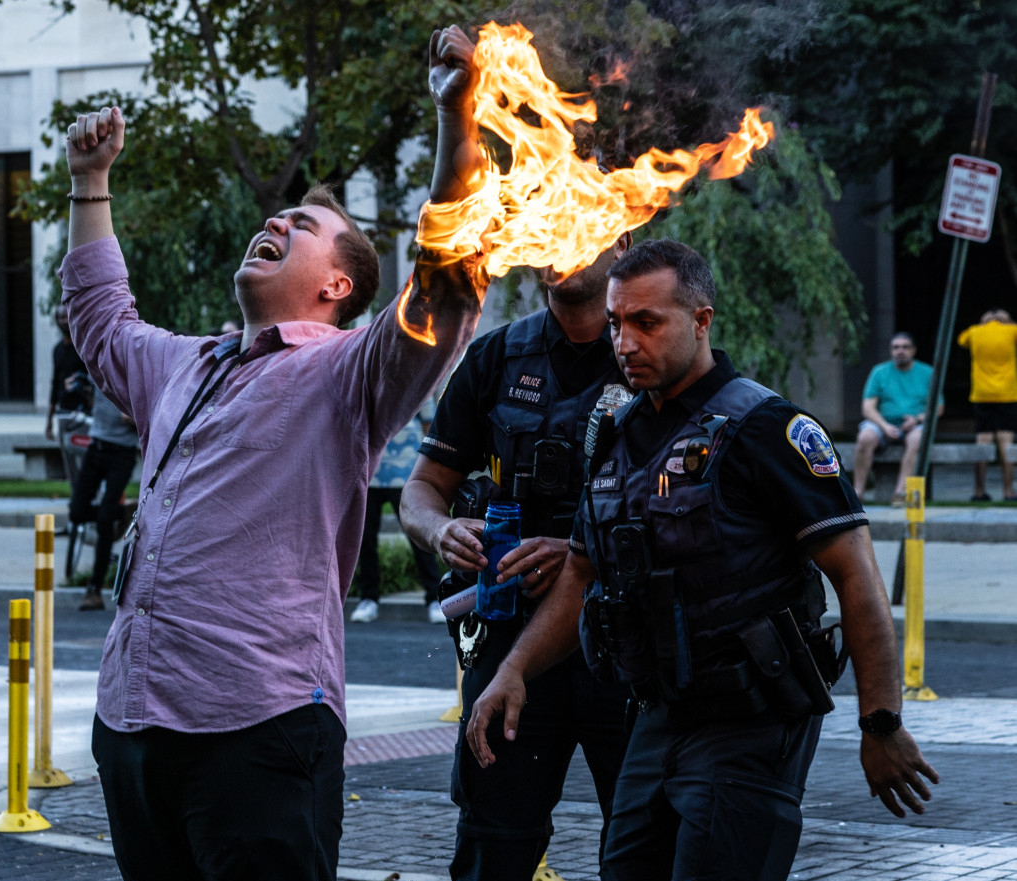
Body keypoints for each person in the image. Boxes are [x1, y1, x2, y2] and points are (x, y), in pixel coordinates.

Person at [61, 25, 485, 879]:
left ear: (337, 285)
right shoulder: (183, 361)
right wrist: (90, 182)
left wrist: (458, 118)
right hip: (134, 721)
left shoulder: (347, 371)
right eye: (278, 213)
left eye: (302, 223)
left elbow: (443, 282)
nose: (275, 218)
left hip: (258, 726)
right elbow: (100, 318)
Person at [468, 240, 938, 881]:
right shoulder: (615, 434)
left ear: (701, 321)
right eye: (616, 323)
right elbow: (581, 572)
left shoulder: (766, 428)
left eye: (647, 323)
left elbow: (855, 574)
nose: (624, 343)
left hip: (751, 722)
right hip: (657, 717)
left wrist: (880, 723)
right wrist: (513, 671)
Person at [400, 234, 635, 879]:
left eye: (580, 224)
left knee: (647, 841)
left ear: (622, 241)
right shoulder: (497, 356)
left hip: (625, 645)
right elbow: (421, 490)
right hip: (511, 648)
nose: (560, 240)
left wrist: (580, 551)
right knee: (491, 841)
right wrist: (440, 531)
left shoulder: (652, 354)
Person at [349, 398, 443, 625]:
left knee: (418, 537)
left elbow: (429, 426)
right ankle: (368, 599)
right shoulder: (366, 375)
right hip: (368, 471)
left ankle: (434, 598)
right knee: (365, 540)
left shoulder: (419, 376)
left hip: (408, 472)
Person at [68, 384, 139, 612]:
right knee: (77, 512)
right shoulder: (98, 362)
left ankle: (94, 590)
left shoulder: (134, 368)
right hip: (96, 446)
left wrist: (133, 415)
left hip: (122, 452)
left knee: (104, 523)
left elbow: (153, 412)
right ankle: (123, 512)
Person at [855, 332, 940, 503]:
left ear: (914, 350)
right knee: (865, 437)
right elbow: (868, 408)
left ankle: (901, 493)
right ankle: (857, 493)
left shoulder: (928, 372)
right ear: (891, 351)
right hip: (882, 423)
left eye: (905, 347)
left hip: (914, 424)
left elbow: (938, 408)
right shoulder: (879, 372)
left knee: (918, 438)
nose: (900, 351)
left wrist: (917, 419)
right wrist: (884, 425)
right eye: (896, 347)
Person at [957, 309, 1017, 501]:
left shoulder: (974, 331)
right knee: (1005, 443)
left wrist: (982, 324)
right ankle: (1008, 491)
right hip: (1007, 395)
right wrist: (1008, 322)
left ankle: (978, 490)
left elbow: (961, 340)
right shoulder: (1011, 330)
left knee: (982, 441)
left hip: (982, 395)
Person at [45, 304, 93, 438]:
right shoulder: (57, 350)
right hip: (64, 410)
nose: (65, 321)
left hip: (84, 410)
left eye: (67, 317)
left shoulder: (83, 347)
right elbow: (55, 384)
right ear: (57, 321)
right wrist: (49, 421)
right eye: (61, 317)